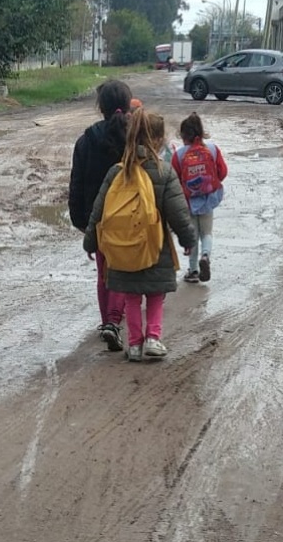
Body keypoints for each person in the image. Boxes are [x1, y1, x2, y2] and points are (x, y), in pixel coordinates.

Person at [83, 108, 196, 361]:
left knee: (132, 296)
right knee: (155, 295)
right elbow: (178, 213)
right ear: (158, 140)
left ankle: (134, 345)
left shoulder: (116, 172)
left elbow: (98, 211)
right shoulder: (165, 172)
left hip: (123, 249)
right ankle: (153, 338)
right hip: (155, 247)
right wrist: (188, 240)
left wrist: (90, 241)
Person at [68, 79, 132, 352]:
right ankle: (115, 322)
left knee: (104, 272)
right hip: (130, 217)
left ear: (100, 107)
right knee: (122, 271)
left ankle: (107, 321)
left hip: (99, 219)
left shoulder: (85, 141)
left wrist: (80, 221)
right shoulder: (134, 137)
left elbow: (77, 184)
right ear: (128, 105)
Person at [171, 111, 228, 283]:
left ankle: (193, 270)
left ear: (183, 135)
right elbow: (223, 172)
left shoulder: (179, 155)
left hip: (188, 201)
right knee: (207, 232)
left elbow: (174, 181)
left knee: (193, 235)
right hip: (208, 199)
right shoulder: (211, 148)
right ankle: (206, 256)